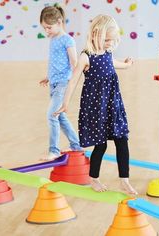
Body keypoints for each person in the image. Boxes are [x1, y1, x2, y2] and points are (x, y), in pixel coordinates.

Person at [54, 14, 138, 195]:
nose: (109, 43)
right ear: (95, 34)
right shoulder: (86, 56)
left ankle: (124, 180)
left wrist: (127, 64)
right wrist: (65, 103)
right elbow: (73, 81)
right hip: (96, 107)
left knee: (122, 140)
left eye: (112, 40)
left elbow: (113, 64)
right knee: (101, 145)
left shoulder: (108, 53)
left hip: (113, 104)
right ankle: (94, 178)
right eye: (106, 39)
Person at [39, 5, 82, 160]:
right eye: (44, 28)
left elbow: (74, 62)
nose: (47, 31)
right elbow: (56, 62)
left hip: (63, 83)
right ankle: (76, 145)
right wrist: (49, 76)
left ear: (59, 22)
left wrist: (73, 81)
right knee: (60, 117)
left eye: (49, 27)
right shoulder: (53, 39)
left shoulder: (67, 40)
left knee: (52, 115)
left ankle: (54, 150)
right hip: (54, 83)